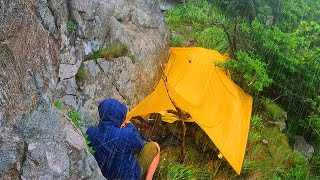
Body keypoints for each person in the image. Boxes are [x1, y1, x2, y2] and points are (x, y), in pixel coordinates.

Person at [86, 98, 160, 180]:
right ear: (120, 115)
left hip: (105, 175)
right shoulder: (127, 134)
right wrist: (130, 126)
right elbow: (139, 146)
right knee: (155, 146)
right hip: (129, 176)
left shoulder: (90, 132)